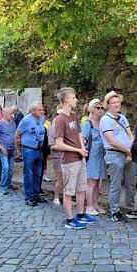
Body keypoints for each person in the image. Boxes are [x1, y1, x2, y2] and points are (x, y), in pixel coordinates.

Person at [55, 87, 97, 229]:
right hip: (69, 160)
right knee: (69, 191)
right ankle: (69, 219)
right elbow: (59, 143)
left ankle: (80, 214)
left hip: (80, 158)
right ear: (66, 99)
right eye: (73, 97)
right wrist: (76, 149)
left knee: (81, 188)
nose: (76, 100)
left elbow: (79, 134)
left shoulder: (73, 116)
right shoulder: (60, 119)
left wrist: (83, 148)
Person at [100, 90, 137, 222]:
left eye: (118, 102)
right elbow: (112, 141)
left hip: (127, 154)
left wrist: (131, 148)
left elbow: (129, 134)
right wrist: (128, 151)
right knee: (116, 184)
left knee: (131, 182)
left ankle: (130, 208)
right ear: (108, 105)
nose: (116, 104)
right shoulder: (105, 120)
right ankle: (115, 211)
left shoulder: (122, 117)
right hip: (114, 155)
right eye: (113, 102)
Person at [15, 102, 47, 206]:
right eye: (39, 110)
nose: (42, 112)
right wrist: (18, 150)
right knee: (28, 174)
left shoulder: (42, 119)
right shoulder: (25, 121)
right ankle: (28, 197)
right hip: (29, 150)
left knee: (37, 174)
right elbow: (17, 135)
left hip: (39, 150)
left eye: (42, 110)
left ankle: (36, 195)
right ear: (33, 111)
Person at [81, 99, 107, 216]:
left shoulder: (102, 123)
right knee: (91, 182)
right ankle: (89, 206)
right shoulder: (88, 123)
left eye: (101, 108)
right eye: (98, 108)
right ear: (92, 109)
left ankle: (95, 204)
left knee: (97, 182)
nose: (100, 110)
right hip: (91, 156)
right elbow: (82, 138)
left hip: (100, 156)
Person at [0, 107, 16, 195]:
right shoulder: (0, 124)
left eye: (12, 113)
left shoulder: (13, 123)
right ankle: (4, 186)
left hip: (12, 149)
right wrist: (1, 148)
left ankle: (9, 183)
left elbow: (14, 136)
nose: (12, 115)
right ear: (5, 114)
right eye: (10, 114)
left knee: (11, 168)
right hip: (3, 150)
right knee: (5, 167)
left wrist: (16, 148)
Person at [48, 105, 64, 205]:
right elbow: (52, 146)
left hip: (67, 157)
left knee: (67, 179)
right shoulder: (53, 129)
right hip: (58, 157)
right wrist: (64, 147)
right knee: (60, 179)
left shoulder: (65, 127)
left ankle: (68, 199)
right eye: (58, 114)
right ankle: (56, 197)